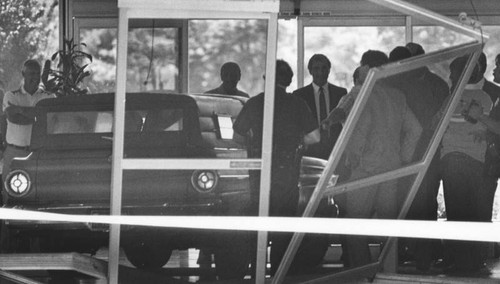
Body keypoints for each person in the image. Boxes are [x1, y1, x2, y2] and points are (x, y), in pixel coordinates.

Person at [233, 59, 320, 275]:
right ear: (289, 81)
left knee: (258, 220)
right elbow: (315, 137)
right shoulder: (298, 104)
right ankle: (280, 271)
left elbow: (237, 137)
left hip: (259, 172)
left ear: (266, 79)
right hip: (287, 172)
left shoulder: (254, 103)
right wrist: (296, 141)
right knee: (283, 223)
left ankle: (255, 269)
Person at [339, 50, 422, 268]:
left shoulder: (360, 93)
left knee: (355, 225)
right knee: (388, 226)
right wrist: (403, 158)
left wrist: (354, 159)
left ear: (366, 68)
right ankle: (389, 272)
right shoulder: (397, 96)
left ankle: (362, 272)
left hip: (365, 168)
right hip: (391, 168)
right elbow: (416, 130)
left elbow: (358, 129)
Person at [388, 45, 450, 271]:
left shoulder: (437, 85)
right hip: (400, 156)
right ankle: (404, 252)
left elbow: (442, 120)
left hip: (427, 156)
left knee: (424, 205)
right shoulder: (397, 84)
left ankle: (425, 255)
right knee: (401, 205)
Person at [440, 55, 496, 274]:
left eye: (455, 73)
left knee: (468, 213)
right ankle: (466, 261)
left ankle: (469, 261)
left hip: (469, 161)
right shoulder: (458, 97)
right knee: (465, 213)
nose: (452, 77)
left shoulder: (480, 97)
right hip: (463, 160)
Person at [2, 59, 55, 202]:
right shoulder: (11, 95)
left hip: (38, 154)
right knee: (10, 194)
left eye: (38, 74)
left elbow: (50, 122)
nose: (35, 77)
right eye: (31, 73)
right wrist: (38, 116)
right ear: (23, 74)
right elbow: (14, 119)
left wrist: (19, 109)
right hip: (14, 152)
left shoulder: (48, 97)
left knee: (38, 195)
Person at [292, 54, 347, 160]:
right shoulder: (299, 95)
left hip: (336, 151)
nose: (320, 73)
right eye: (316, 69)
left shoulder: (340, 93)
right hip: (310, 153)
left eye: (324, 68)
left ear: (329, 70)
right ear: (310, 71)